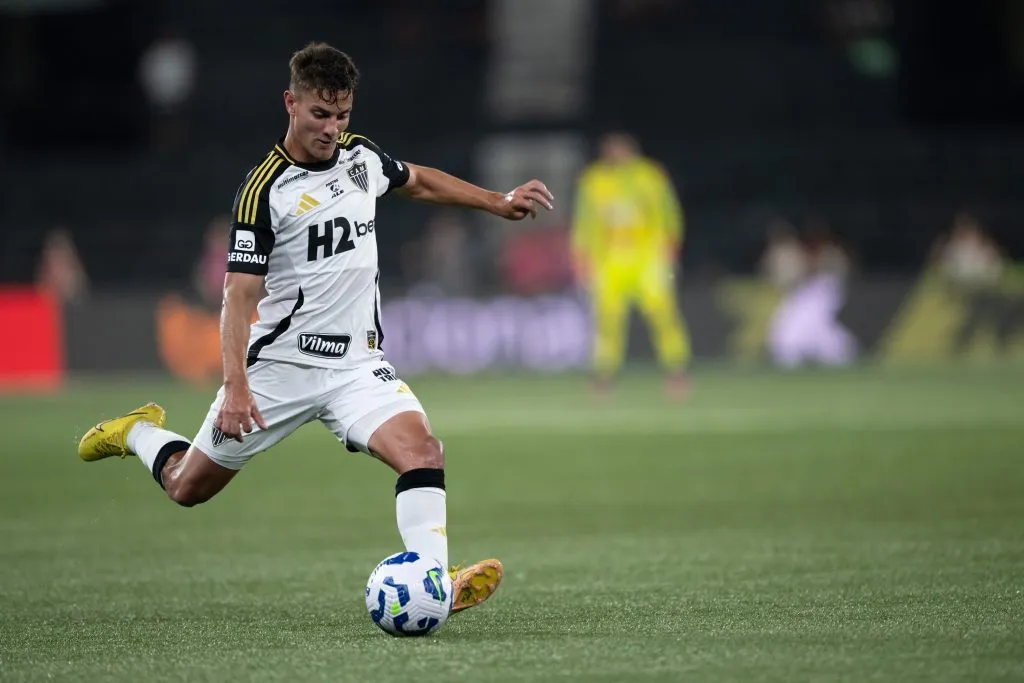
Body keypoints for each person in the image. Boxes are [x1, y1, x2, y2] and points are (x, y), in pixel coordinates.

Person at [78, 42, 553, 615]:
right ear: (291, 103)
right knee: (187, 488)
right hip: (282, 369)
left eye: (343, 114)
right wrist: (236, 385)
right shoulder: (265, 191)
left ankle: (432, 581)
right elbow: (237, 295)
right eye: (320, 114)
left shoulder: (361, 159)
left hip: (356, 366)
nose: (332, 128)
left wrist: (497, 202)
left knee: (424, 451)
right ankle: (136, 432)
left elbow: (419, 180)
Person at [571, 132, 690, 398]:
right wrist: (582, 260)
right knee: (607, 322)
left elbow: (669, 215)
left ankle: (677, 373)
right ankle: (603, 377)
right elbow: (584, 223)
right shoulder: (594, 181)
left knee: (663, 316)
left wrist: (670, 252)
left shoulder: (651, 176)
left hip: (648, 258)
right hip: (609, 261)